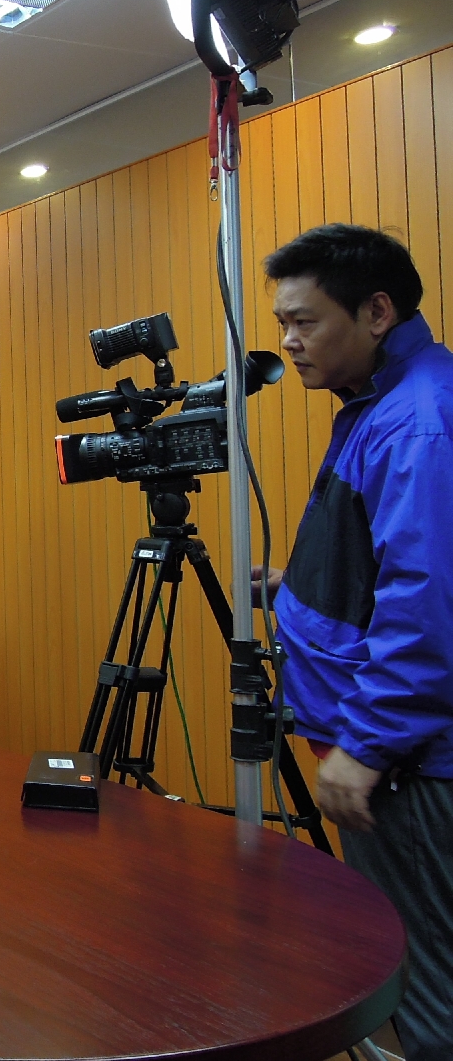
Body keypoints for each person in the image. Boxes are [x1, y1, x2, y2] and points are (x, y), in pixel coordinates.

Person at [253, 224, 453, 1060]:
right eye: (282, 325)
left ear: (376, 311)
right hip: (396, 749)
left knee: (427, 987)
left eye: (305, 323)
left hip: (410, 763)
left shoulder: (415, 421)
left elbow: (426, 608)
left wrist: (365, 748)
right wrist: (295, 589)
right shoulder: (384, 398)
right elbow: (382, 566)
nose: (289, 344)